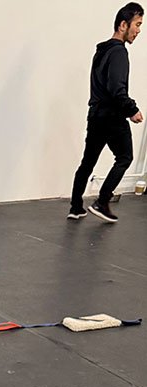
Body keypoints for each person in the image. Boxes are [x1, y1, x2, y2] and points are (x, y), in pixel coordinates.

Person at [68, 3, 144, 223]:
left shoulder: (101, 52)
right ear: (123, 24)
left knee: (87, 162)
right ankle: (102, 201)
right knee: (125, 157)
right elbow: (116, 88)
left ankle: (75, 207)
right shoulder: (119, 52)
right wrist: (132, 109)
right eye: (137, 25)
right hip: (112, 117)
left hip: (95, 116)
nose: (138, 30)